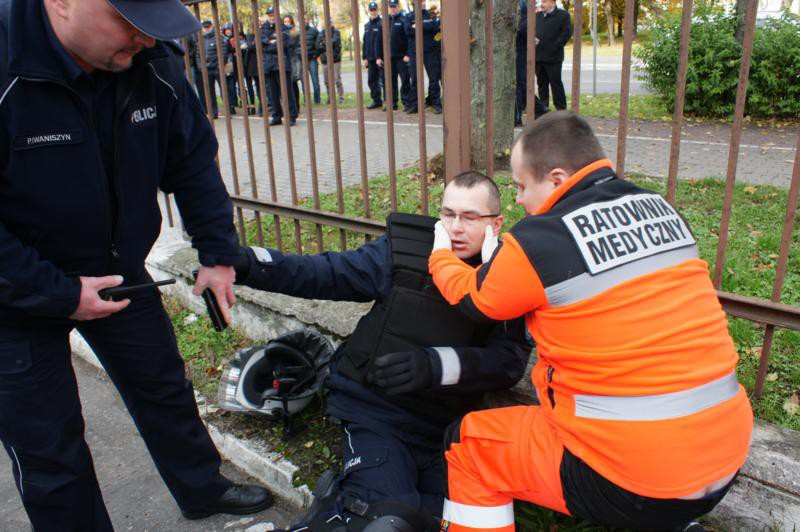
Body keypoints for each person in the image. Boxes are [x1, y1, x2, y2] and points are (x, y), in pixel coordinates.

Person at [0, 0, 275, 530]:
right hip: (12, 296)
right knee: (48, 444)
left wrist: (217, 253)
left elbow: (191, 159)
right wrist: (56, 293)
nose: (146, 40)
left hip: (116, 274)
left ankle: (202, 487)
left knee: (164, 388)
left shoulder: (152, 63)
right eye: (130, 23)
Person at [428, 112, 754, 532]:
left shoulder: (538, 239)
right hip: (725, 452)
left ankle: (653, 511)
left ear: (558, 179)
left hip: (634, 478)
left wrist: (439, 252)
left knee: (469, 444)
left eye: (522, 187)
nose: (520, 202)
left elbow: (473, 298)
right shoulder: (660, 208)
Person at [232, 173, 532, 531]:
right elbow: (326, 274)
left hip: (445, 429)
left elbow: (509, 361)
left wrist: (436, 366)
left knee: (444, 522)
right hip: (375, 411)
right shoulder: (405, 251)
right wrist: (249, 263)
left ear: (495, 223)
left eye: (469, 217)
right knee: (387, 520)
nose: (455, 227)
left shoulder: (509, 275)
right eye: (447, 214)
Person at [261, 6, 298, 126]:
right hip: (269, 64)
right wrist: (271, 42)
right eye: (270, 15)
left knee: (287, 92)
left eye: (273, 15)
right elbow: (260, 42)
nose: (271, 17)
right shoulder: (264, 28)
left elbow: (285, 44)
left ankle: (292, 116)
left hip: (282, 63)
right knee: (273, 93)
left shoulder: (284, 28)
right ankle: (277, 116)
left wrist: (270, 43)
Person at [514, 0, 549, 125]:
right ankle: (539, 109)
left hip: (520, 53)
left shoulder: (526, 18)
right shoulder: (526, 18)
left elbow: (522, 30)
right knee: (520, 84)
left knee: (519, 84)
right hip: (519, 52)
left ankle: (521, 115)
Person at [405, 0, 441, 114]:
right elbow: (408, 31)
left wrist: (418, 25)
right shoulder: (408, 16)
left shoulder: (431, 14)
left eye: (423, 1)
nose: (423, 3)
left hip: (430, 52)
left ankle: (435, 103)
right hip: (415, 52)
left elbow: (435, 26)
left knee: (434, 78)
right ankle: (416, 104)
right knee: (415, 78)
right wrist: (426, 26)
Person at [535, 0, 571, 111]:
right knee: (541, 84)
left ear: (553, 2)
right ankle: (543, 107)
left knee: (556, 83)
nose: (542, 4)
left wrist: (555, 46)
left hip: (554, 57)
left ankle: (560, 108)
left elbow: (566, 33)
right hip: (539, 56)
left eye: (545, 1)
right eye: (541, 1)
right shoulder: (538, 15)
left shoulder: (563, 15)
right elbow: (531, 30)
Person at [387, 0, 412, 112]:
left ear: (398, 7)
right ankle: (393, 103)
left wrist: (407, 54)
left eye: (394, 6)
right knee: (391, 81)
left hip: (402, 57)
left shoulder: (403, 19)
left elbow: (409, 39)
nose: (393, 9)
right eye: (391, 7)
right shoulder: (386, 21)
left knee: (405, 81)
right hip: (390, 57)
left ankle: (407, 103)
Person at [317, 18, 344, 105]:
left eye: (330, 22)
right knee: (327, 81)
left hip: (335, 60)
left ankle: (341, 97)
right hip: (325, 60)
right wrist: (327, 44)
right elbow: (318, 45)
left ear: (332, 23)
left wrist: (324, 43)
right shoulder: (321, 33)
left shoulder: (336, 32)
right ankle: (330, 97)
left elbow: (335, 42)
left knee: (337, 80)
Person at [362, 2, 384, 109]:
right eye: (371, 10)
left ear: (378, 10)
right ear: (369, 11)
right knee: (371, 81)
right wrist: (364, 57)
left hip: (380, 58)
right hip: (370, 58)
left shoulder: (382, 23)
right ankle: (376, 100)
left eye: (375, 9)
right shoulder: (367, 25)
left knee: (383, 81)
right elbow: (364, 42)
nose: (373, 11)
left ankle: (387, 101)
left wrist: (380, 57)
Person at [283, 14, 302, 112]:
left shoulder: (295, 32)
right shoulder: (282, 32)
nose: (286, 23)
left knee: (294, 83)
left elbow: (290, 44)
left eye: (288, 21)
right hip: (285, 59)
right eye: (285, 21)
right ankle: (290, 106)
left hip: (293, 59)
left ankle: (296, 106)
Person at [301, 17, 321, 105]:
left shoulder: (314, 31)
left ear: (308, 20)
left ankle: (317, 100)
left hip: (312, 59)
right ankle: (307, 100)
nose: (304, 20)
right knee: (304, 81)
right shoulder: (298, 32)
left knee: (315, 81)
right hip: (302, 60)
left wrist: (316, 54)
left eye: (305, 19)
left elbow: (319, 43)